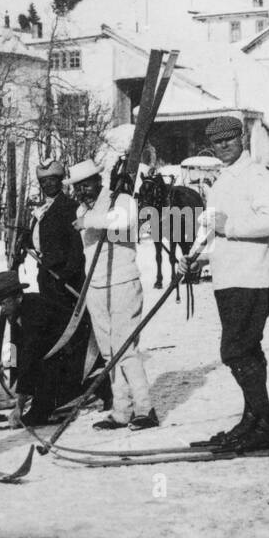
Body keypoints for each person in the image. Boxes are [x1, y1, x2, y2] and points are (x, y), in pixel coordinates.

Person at [179, 115, 269, 451]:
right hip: (228, 279)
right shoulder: (220, 181)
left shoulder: (258, 175)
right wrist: (195, 258)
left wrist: (229, 226)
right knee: (247, 350)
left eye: (228, 139)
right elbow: (210, 233)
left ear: (241, 139)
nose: (223, 146)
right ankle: (252, 421)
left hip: (252, 277)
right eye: (216, 142)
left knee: (235, 350)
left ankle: (264, 425)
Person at [68, 158, 157, 431]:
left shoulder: (120, 200)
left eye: (88, 184)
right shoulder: (86, 208)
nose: (84, 191)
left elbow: (124, 220)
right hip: (96, 286)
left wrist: (87, 221)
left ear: (99, 180)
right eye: (78, 188)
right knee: (108, 353)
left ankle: (145, 409)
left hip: (122, 283)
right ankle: (121, 410)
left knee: (125, 349)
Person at [0, 270, 98, 425]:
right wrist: (7, 360)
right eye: (0, 304)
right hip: (57, 350)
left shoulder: (35, 311)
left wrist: (19, 405)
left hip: (82, 353)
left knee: (41, 372)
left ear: (18, 297)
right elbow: (17, 339)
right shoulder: (19, 308)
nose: (2, 308)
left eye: (4, 303)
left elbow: (29, 354)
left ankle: (43, 408)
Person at [28, 159, 85, 304]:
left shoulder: (71, 207)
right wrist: (26, 239)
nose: (47, 184)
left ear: (60, 181)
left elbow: (76, 245)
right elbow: (41, 239)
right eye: (43, 181)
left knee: (66, 317)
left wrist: (68, 273)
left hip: (65, 277)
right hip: (46, 273)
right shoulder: (41, 209)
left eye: (52, 180)